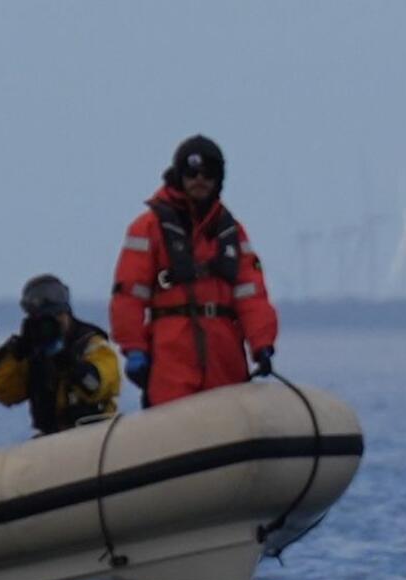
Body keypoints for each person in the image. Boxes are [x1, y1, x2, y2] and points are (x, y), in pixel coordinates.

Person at [109, 135, 279, 408]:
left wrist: (262, 344)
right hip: (171, 356)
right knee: (171, 424)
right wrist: (134, 349)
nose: (200, 179)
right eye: (192, 172)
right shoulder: (148, 228)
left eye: (208, 173)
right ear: (179, 174)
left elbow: (252, 296)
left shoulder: (231, 232)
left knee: (228, 420)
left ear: (219, 179)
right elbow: (128, 295)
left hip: (224, 357)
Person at [0, 275, 121, 436]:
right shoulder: (33, 352)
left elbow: (97, 385)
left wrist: (70, 365)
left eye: (58, 318)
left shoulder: (91, 344)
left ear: (68, 313)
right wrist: (16, 351)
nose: (52, 326)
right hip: (50, 440)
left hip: (93, 435)